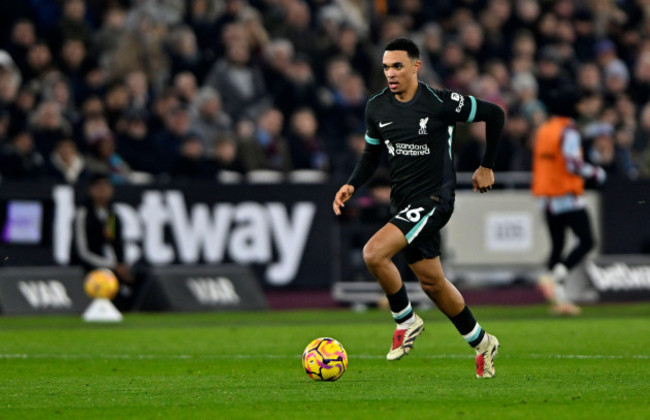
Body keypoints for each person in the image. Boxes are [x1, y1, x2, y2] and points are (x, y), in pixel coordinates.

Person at [332, 38, 505, 378]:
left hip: (434, 199)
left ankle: (406, 319)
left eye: (397, 66)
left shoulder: (440, 102)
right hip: (403, 203)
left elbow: (494, 114)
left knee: (373, 253)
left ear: (415, 66)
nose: (391, 74)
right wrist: (352, 183)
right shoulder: (377, 108)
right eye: (385, 67)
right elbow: (371, 155)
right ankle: (483, 342)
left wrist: (487, 165)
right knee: (432, 283)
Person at [532, 88, 606, 315]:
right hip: (566, 195)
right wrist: (595, 172)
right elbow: (572, 164)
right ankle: (557, 276)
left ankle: (559, 299)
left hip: (546, 197)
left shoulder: (545, 129)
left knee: (557, 244)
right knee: (587, 241)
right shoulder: (569, 131)